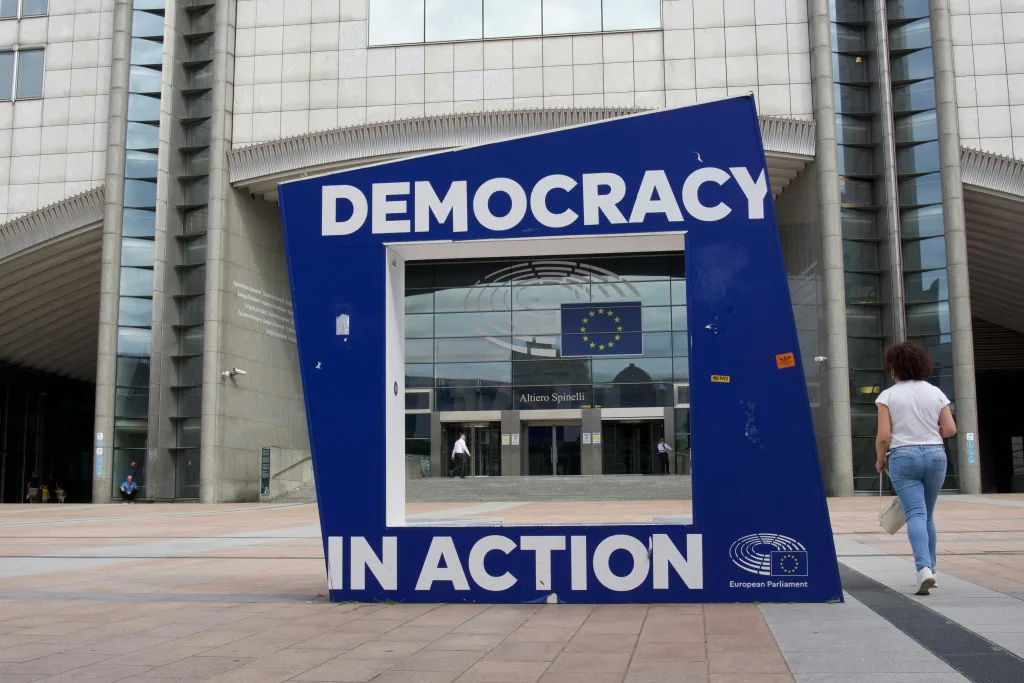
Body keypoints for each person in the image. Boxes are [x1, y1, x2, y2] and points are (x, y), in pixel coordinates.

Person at [875, 341, 956, 596]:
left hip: (904, 457)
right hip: (935, 455)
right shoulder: (935, 393)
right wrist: (932, 432)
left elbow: (884, 436)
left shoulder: (888, 395)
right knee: (928, 515)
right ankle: (930, 568)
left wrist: (880, 458)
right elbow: (951, 430)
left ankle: (923, 569)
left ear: (893, 368)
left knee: (915, 515)